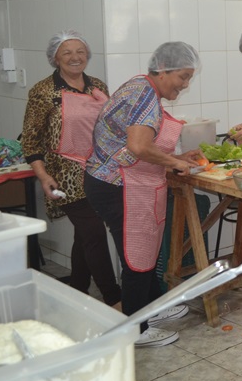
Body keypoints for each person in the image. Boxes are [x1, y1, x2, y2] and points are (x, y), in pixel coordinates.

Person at [84, 42, 204, 348]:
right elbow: (138, 147)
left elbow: (139, 140)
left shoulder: (141, 85)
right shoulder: (145, 93)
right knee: (136, 253)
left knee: (145, 248)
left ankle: (154, 306)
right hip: (116, 185)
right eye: (183, 76)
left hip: (115, 182)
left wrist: (178, 155)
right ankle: (138, 329)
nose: (185, 84)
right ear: (163, 69)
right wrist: (175, 163)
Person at [21, 31, 120, 306]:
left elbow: (112, 126)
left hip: (100, 171)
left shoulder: (97, 86)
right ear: (55, 58)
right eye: (67, 52)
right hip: (65, 175)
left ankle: (77, 288)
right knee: (95, 233)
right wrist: (42, 175)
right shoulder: (43, 91)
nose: (75, 57)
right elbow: (30, 138)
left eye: (80, 51)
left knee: (85, 234)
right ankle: (114, 299)